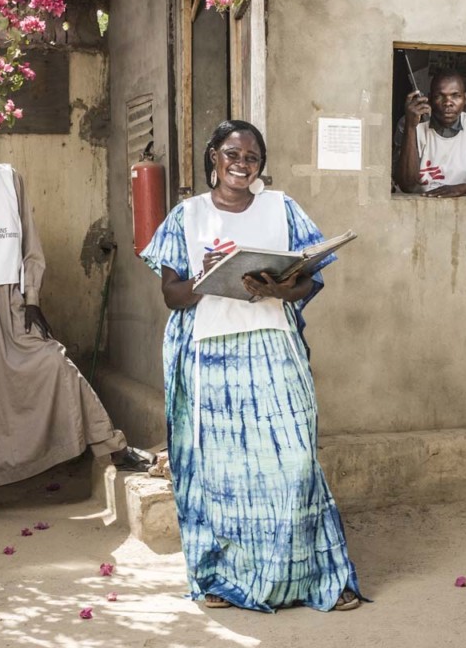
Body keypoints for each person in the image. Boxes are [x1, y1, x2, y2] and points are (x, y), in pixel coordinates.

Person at [140, 120, 363, 613]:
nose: (242, 165)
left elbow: (307, 281)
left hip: (273, 345)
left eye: (252, 158)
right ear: (213, 156)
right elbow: (172, 295)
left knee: (295, 460)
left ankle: (317, 575)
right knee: (225, 474)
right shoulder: (187, 216)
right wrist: (212, 277)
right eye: (232, 154)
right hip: (212, 354)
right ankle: (224, 579)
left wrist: (282, 288)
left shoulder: (281, 208)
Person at [0, 107, 152, 525]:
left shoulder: (10, 179)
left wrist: (33, 297)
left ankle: (112, 446)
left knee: (55, 366)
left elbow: (30, 244)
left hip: (10, 298)